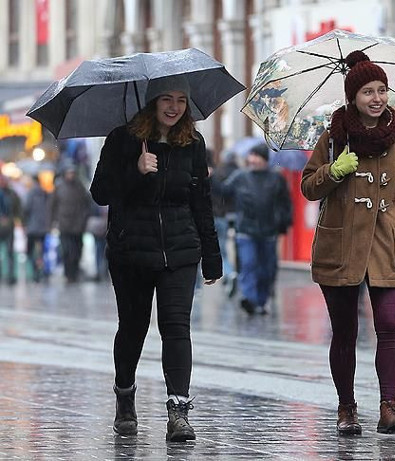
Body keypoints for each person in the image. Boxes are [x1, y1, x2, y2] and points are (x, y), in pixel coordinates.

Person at [300, 50, 395, 436]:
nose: (377, 98)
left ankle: (389, 407)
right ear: (353, 97)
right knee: (345, 331)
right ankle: (346, 408)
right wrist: (333, 170)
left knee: (390, 326)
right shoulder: (332, 139)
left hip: (385, 246)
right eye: (368, 92)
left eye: (381, 90)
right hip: (340, 247)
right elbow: (309, 187)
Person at [89, 74, 222, 441]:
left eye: (181, 100)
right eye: (166, 98)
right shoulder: (122, 139)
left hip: (180, 250)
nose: (174, 107)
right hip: (131, 251)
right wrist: (135, 171)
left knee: (176, 327)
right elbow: (100, 193)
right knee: (133, 327)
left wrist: (212, 256)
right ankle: (125, 397)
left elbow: (201, 201)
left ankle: (178, 412)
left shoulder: (193, 143)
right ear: (152, 102)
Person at [219, 143, 292, 315]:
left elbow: (285, 203)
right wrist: (209, 177)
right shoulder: (240, 176)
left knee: (266, 269)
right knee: (248, 264)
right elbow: (223, 191)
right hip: (246, 230)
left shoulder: (276, 179)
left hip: (269, 231)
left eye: (256, 156)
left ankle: (261, 301)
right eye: (251, 155)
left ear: (264, 159)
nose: (252, 159)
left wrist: (283, 223)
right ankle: (249, 299)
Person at [51, 165, 93, 283]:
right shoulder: (59, 188)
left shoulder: (80, 187)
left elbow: (87, 205)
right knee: (66, 251)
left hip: (78, 226)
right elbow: (52, 206)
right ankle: (68, 273)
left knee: (76, 251)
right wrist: (53, 221)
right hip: (64, 225)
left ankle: (74, 273)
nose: (71, 175)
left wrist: (84, 219)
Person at [210, 149, 240, 296]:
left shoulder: (216, 174)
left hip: (215, 216)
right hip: (227, 215)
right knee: (226, 249)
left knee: (219, 250)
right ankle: (230, 273)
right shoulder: (239, 173)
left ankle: (229, 273)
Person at [23, 174, 52, 282]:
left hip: (32, 227)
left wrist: (25, 223)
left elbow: (26, 209)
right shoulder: (45, 193)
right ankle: (42, 271)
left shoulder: (30, 193)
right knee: (42, 251)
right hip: (43, 228)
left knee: (30, 251)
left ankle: (35, 271)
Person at [0, 174, 21, 284]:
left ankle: (11, 276)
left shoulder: (12, 194)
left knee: (10, 252)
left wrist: (16, 220)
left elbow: (18, 209)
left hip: (9, 227)